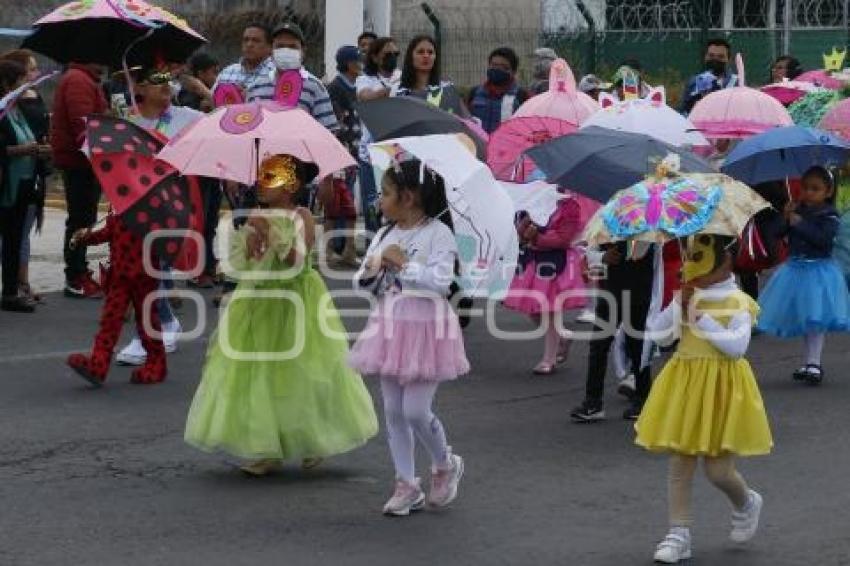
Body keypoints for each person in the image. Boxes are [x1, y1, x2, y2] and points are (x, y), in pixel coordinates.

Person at [185, 154, 378, 476]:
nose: (261, 182)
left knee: (303, 371)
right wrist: (252, 238)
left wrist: (271, 233)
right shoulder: (256, 215)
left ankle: (314, 438)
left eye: (270, 177)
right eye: (261, 175)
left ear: (290, 184)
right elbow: (243, 263)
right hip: (259, 299)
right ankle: (266, 447)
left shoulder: (302, 216)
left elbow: (295, 261)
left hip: (296, 301)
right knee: (257, 371)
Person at [636, 234, 771, 564]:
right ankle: (678, 533)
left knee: (718, 472)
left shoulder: (738, 300)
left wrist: (700, 317)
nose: (691, 265)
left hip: (721, 389)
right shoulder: (686, 295)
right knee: (680, 461)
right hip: (686, 383)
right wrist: (675, 307)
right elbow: (656, 333)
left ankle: (746, 502)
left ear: (726, 261)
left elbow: (737, 348)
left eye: (701, 257)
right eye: (690, 256)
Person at [349, 156, 468, 516]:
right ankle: (406, 483)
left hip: (428, 327)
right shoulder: (385, 233)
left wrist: (405, 264)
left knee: (416, 410)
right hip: (389, 325)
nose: (379, 201)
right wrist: (376, 267)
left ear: (410, 197)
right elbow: (361, 283)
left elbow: (441, 283)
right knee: (393, 411)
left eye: (385, 193)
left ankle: (445, 464)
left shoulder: (439, 234)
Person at [113, 65, 205, 366]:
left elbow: (224, 125)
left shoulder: (185, 117)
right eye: (156, 80)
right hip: (132, 205)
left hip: (171, 204)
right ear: (137, 88)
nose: (166, 85)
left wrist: (205, 92)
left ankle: (148, 333)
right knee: (148, 270)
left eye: (169, 79)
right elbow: (95, 152)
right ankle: (164, 322)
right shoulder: (126, 117)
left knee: (155, 267)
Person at [756, 166, 850, 384]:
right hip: (795, 270)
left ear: (828, 192)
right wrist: (785, 216)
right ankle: (808, 362)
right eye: (806, 188)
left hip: (818, 272)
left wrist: (800, 223)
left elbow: (823, 240)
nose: (808, 193)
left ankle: (814, 363)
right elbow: (777, 233)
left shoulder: (830, 214)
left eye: (815, 189)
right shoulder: (797, 209)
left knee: (815, 318)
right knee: (807, 319)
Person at [570, 241, 655, 421]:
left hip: (639, 292)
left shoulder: (648, 222)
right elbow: (591, 253)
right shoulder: (608, 220)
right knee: (598, 345)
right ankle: (593, 403)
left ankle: (643, 400)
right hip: (610, 293)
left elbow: (646, 252)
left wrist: (631, 248)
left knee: (637, 346)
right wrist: (603, 257)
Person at [503, 196, 586, 374]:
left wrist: (537, 237)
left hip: (555, 265)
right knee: (533, 310)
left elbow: (563, 239)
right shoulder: (534, 197)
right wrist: (523, 230)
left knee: (550, 312)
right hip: (532, 262)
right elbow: (519, 230)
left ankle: (548, 360)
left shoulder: (569, 206)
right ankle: (563, 336)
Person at [51, 60, 108, 298]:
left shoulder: (86, 79)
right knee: (80, 220)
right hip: (80, 162)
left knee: (85, 218)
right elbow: (83, 124)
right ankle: (75, 275)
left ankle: (79, 270)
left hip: (84, 161)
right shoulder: (78, 80)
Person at [0, 49, 51, 304]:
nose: (25, 86)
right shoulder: (2, 111)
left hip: (23, 181)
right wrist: (27, 149)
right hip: (7, 182)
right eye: (20, 81)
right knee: (9, 237)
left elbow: (27, 136)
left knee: (14, 238)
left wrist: (39, 149)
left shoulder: (15, 109)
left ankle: (10, 291)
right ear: (7, 84)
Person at [356, 36, 401, 237]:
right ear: (375, 57)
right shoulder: (365, 79)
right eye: (387, 55)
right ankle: (372, 247)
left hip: (397, 154)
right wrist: (390, 89)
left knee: (397, 203)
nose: (392, 58)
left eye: (395, 54)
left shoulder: (401, 76)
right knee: (373, 205)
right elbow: (365, 97)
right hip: (370, 155)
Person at [327, 45, 363, 267]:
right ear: (349, 63)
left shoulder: (357, 86)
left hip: (354, 152)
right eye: (358, 61)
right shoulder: (336, 87)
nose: (361, 65)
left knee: (348, 202)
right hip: (339, 153)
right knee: (334, 201)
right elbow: (335, 121)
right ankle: (331, 250)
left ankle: (347, 248)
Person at [395, 34, 467, 117]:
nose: (426, 56)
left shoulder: (447, 90)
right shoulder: (396, 90)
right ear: (411, 57)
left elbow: (468, 121)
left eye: (430, 52)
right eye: (420, 52)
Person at [466, 47, 529, 134]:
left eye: (504, 67)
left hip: (506, 145)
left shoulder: (521, 96)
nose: (498, 69)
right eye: (494, 65)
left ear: (513, 72)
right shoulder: (474, 93)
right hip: (477, 144)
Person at [680, 38, 738, 114]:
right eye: (711, 55)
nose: (715, 59)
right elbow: (683, 112)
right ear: (705, 57)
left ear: (728, 59)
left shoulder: (736, 83)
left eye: (720, 56)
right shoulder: (694, 82)